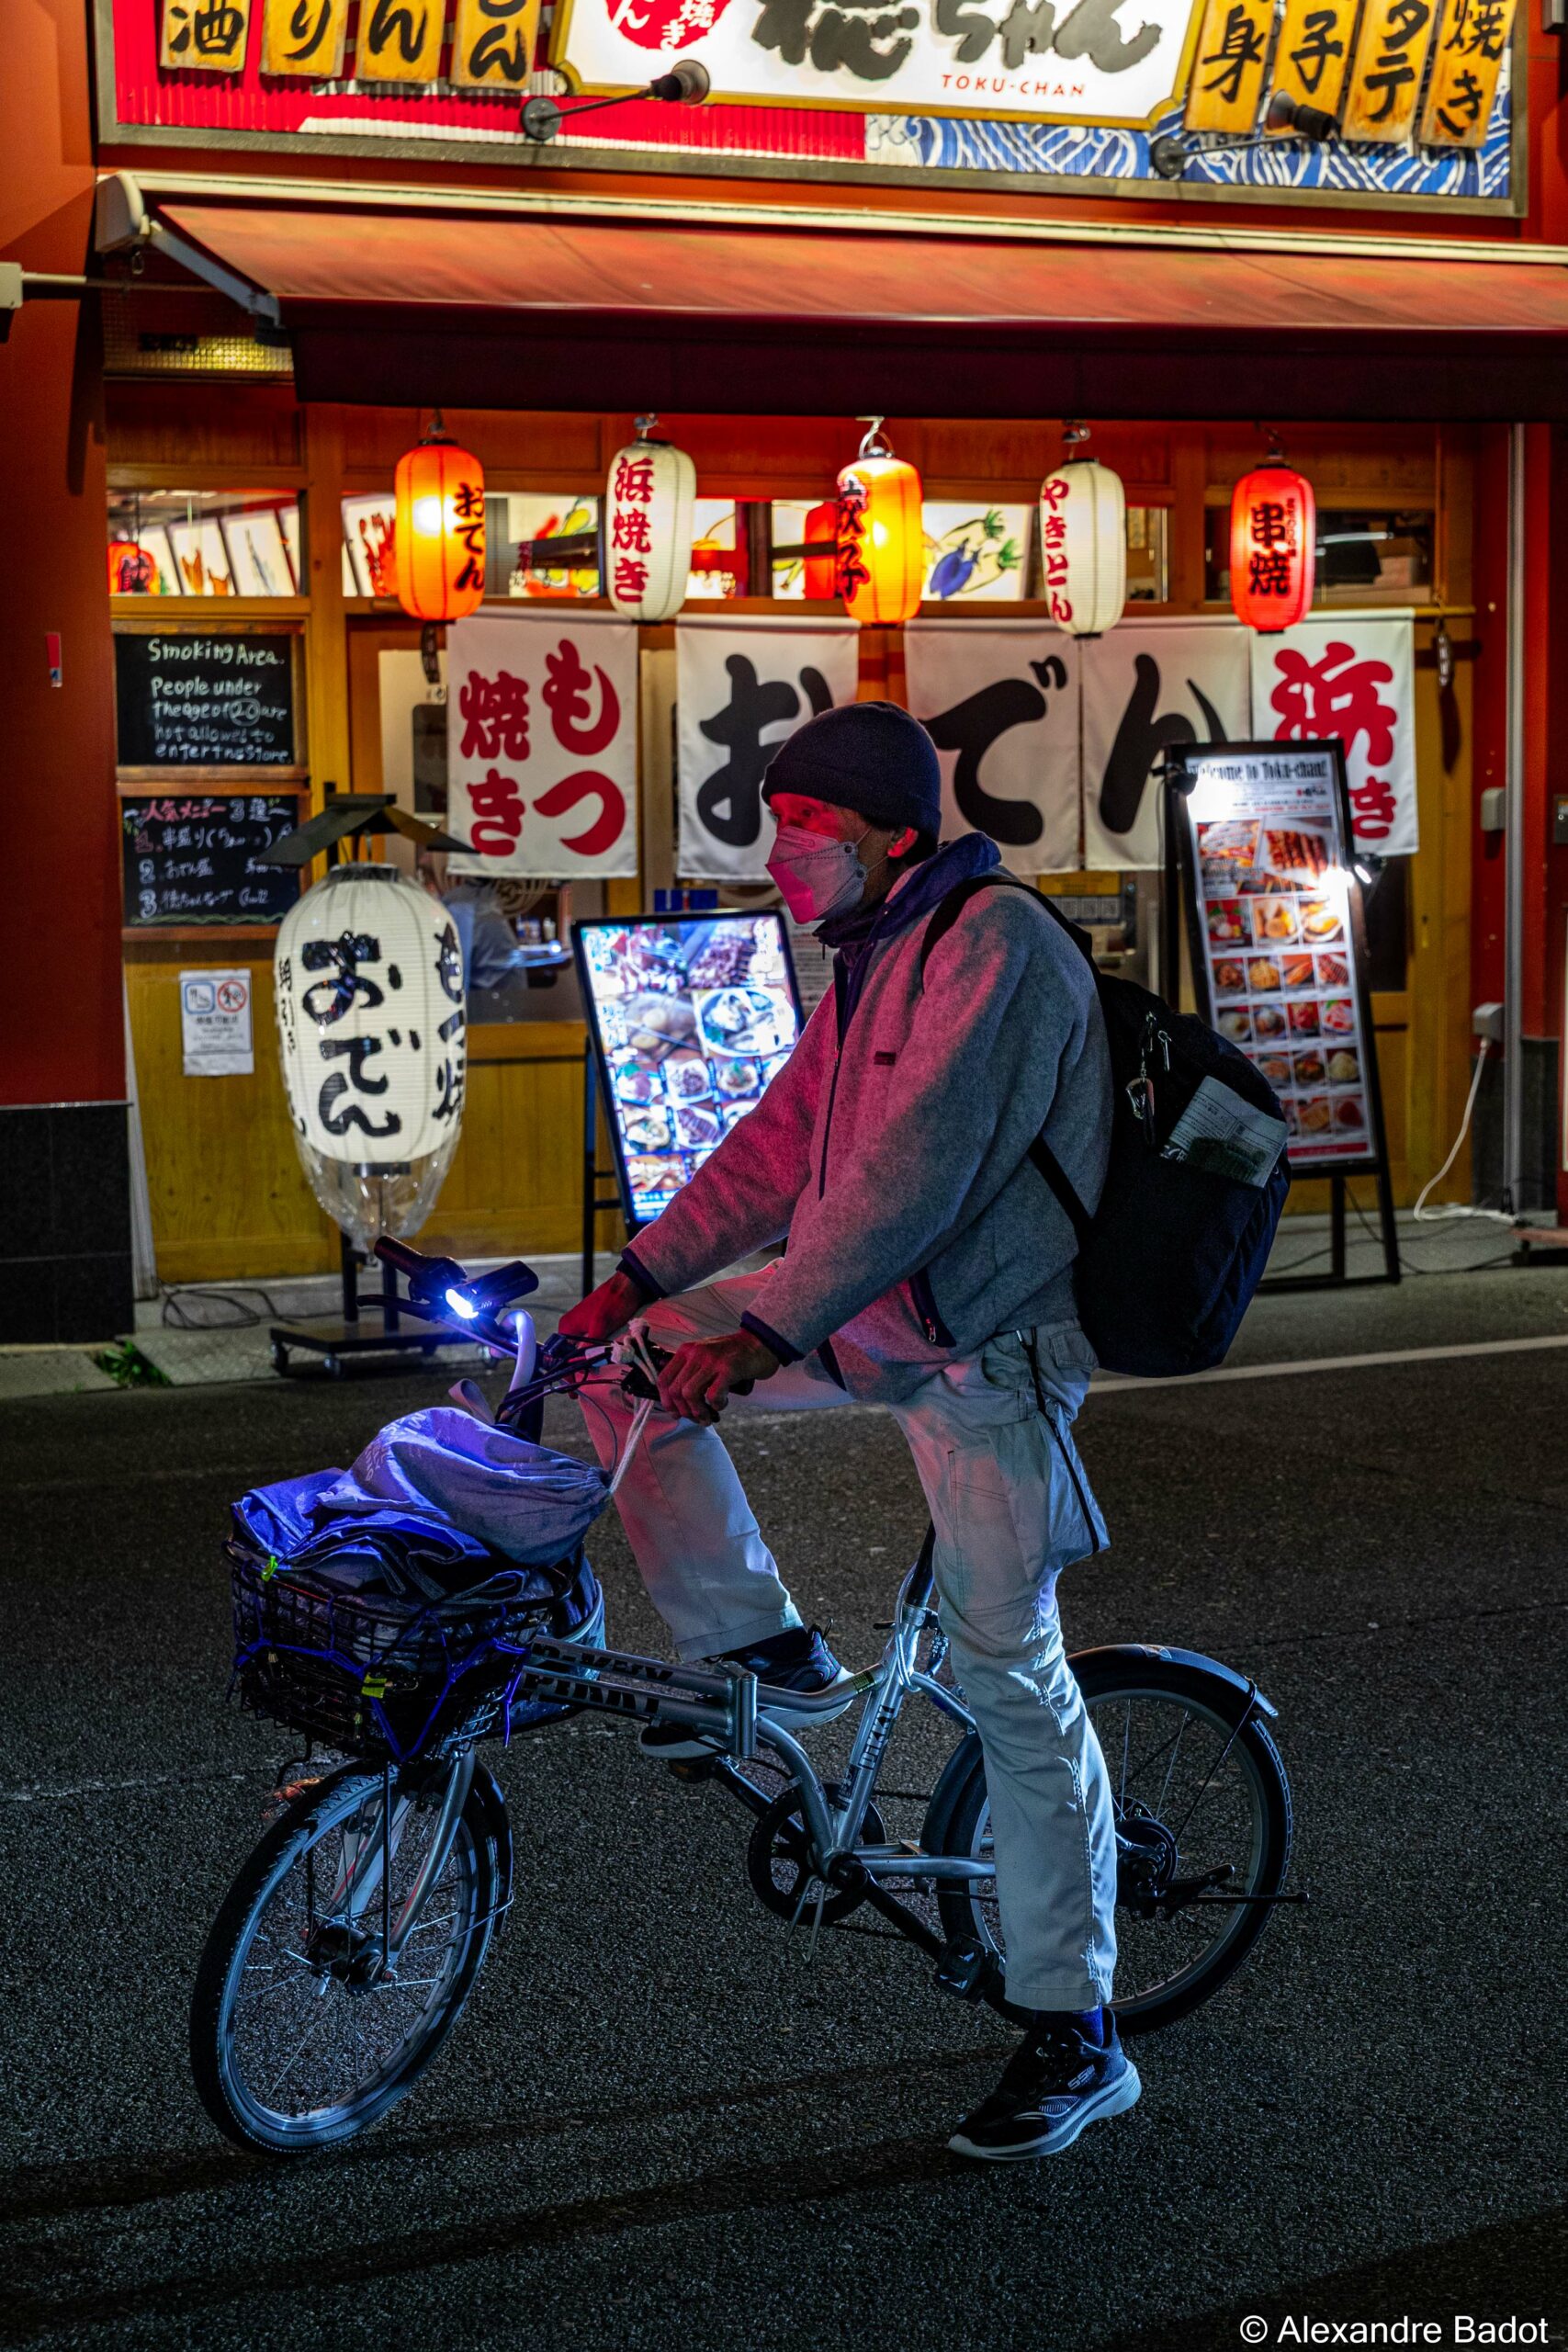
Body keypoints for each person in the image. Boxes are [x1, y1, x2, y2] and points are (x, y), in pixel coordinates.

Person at [559, 700, 1137, 2163]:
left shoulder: (994, 949)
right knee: (623, 1365)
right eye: (776, 827)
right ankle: (762, 1645)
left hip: (992, 1357)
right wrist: (640, 1281)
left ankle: (1078, 2030)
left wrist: (759, 1336)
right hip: (872, 1319)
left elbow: (911, 1177)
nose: (782, 855)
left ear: (889, 833)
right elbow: (778, 1149)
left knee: (1011, 1679)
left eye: (805, 828)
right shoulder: (878, 951)